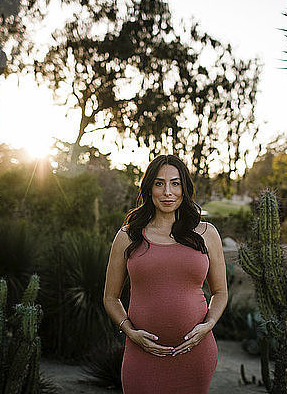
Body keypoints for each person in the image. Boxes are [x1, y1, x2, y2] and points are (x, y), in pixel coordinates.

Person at [103, 154, 228, 394]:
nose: (167, 192)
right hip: (142, 354)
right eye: (159, 183)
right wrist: (130, 332)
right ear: (149, 188)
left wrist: (209, 324)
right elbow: (110, 297)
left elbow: (220, 292)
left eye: (175, 183)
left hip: (195, 354)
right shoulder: (128, 236)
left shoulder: (206, 233)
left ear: (185, 188)